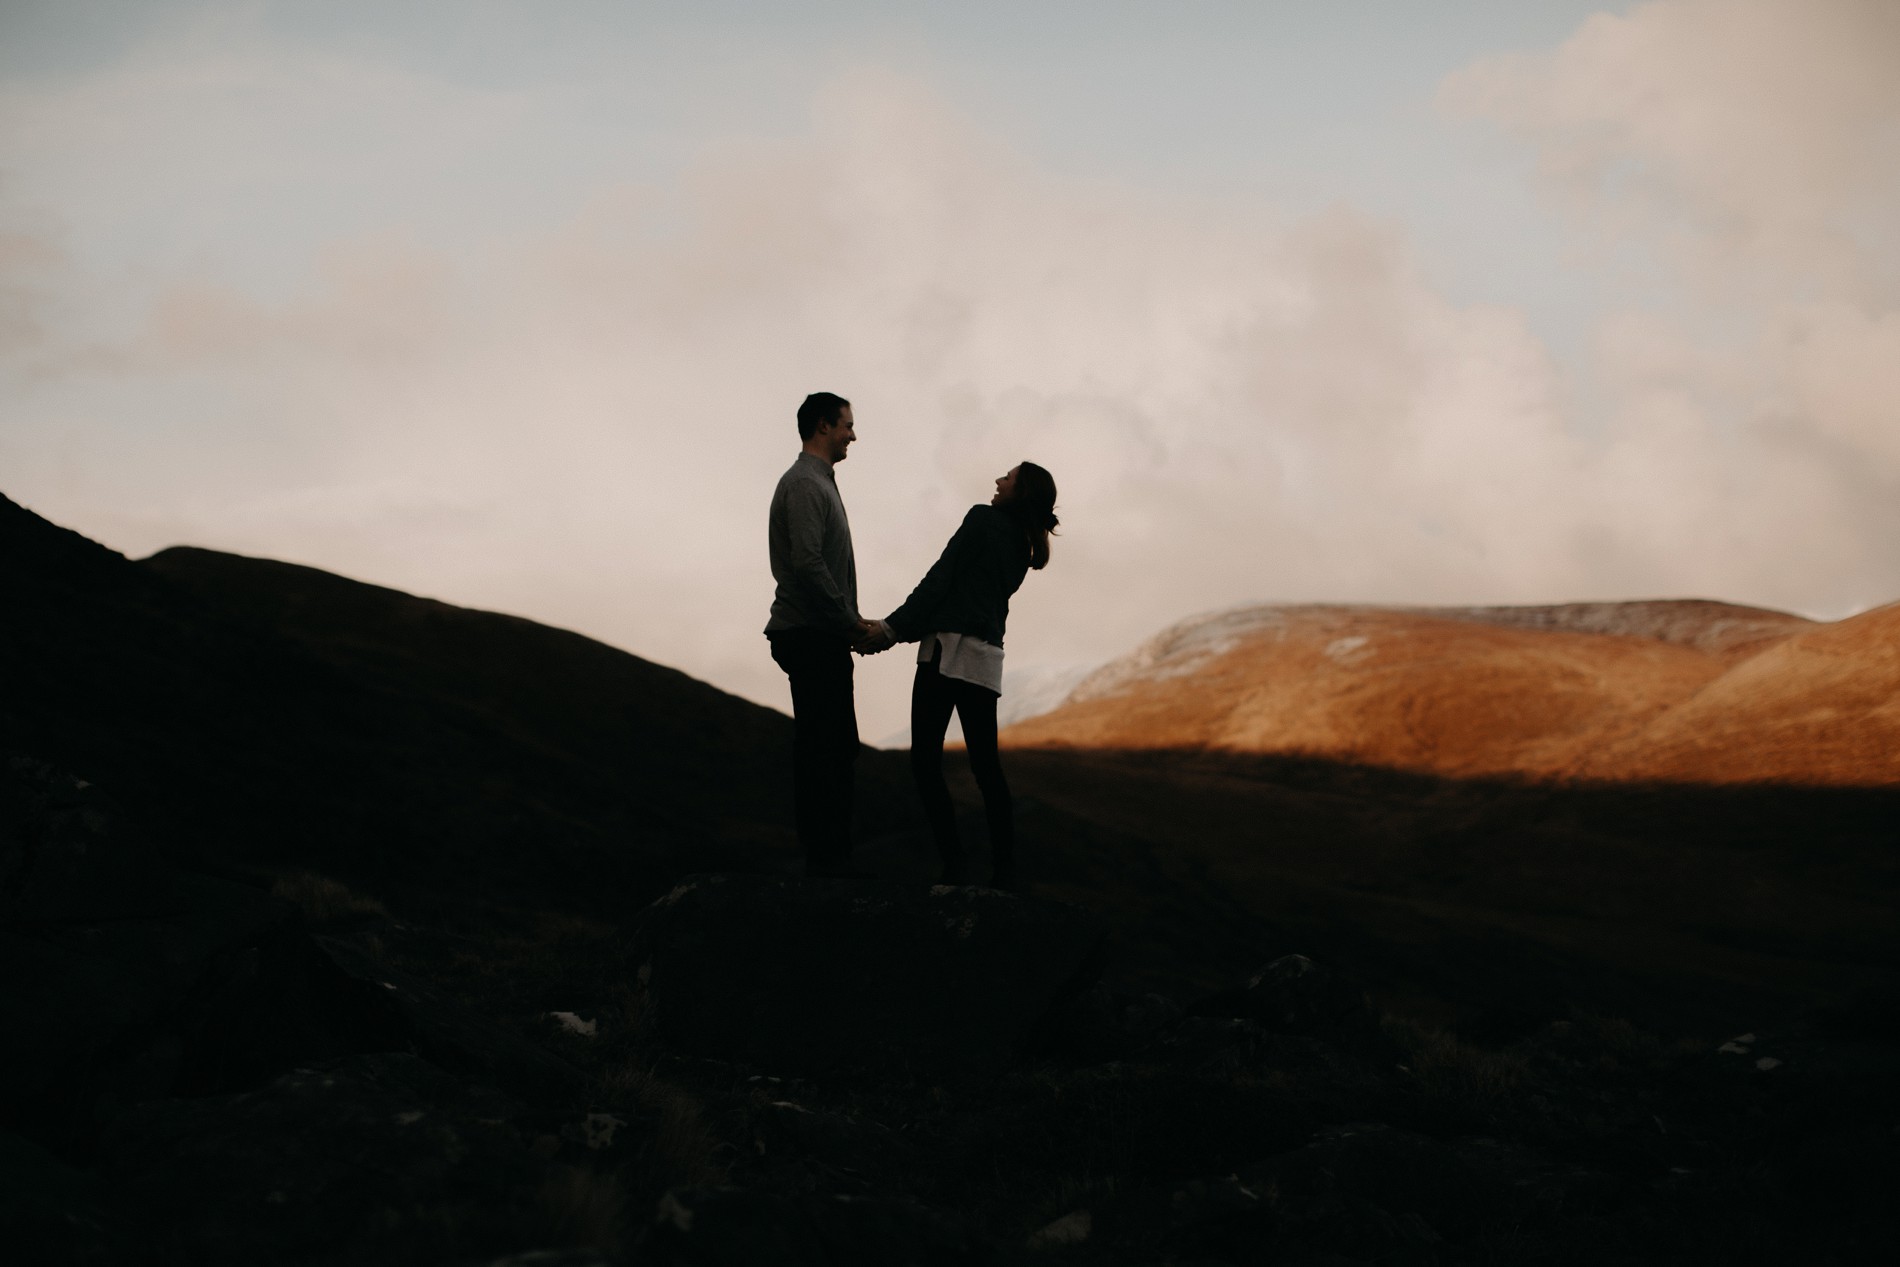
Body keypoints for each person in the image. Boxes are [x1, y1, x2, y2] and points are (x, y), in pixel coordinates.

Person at [860, 462, 1059, 887]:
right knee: (987, 769)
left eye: (1007, 478)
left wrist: (891, 629)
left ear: (1019, 491)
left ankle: (955, 863)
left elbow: (941, 580)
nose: (997, 481)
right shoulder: (1026, 548)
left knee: (925, 762)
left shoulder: (982, 520)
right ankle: (1005, 871)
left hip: (945, 653)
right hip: (985, 661)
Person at [765, 392, 882, 877]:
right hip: (812, 634)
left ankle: (829, 860)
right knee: (826, 752)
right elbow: (809, 566)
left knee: (832, 748)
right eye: (847, 425)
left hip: (818, 633)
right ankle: (827, 866)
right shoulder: (806, 486)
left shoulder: (818, 484)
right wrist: (849, 621)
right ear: (822, 427)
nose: (853, 434)